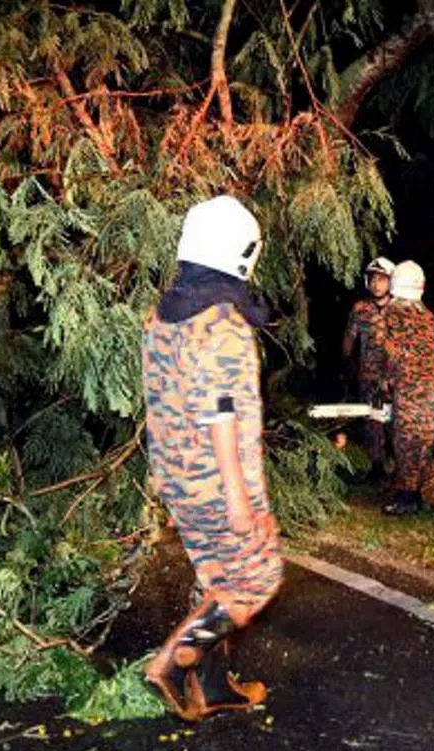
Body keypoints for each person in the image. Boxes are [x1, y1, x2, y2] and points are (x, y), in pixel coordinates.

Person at [141, 195, 283, 721]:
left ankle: (213, 687)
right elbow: (220, 413)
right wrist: (239, 501)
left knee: (219, 580)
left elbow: (161, 399)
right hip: (218, 481)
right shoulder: (222, 323)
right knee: (257, 579)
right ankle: (175, 661)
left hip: (178, 478)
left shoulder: (162, 316)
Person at [380, 260, 434, 516]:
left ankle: (406, 497)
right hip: (431, 385)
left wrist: (386, 379)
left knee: (405, 439)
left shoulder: (392, 313)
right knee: (423, 439)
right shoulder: (429, 316)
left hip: (408, 385)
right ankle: (416, 493)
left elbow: (391, 352)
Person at [342, 257, 396, 482]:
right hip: (369, 376)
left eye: (382, 279)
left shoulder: (400, 308)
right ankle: (376, 468)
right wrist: (347, 361)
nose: (376, 284)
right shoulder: (360, 309)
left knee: (395, 421)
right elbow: (349, 338)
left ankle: (400, 467)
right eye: (373, 279)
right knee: (373, 422)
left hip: (396, 377)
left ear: (391, 282)